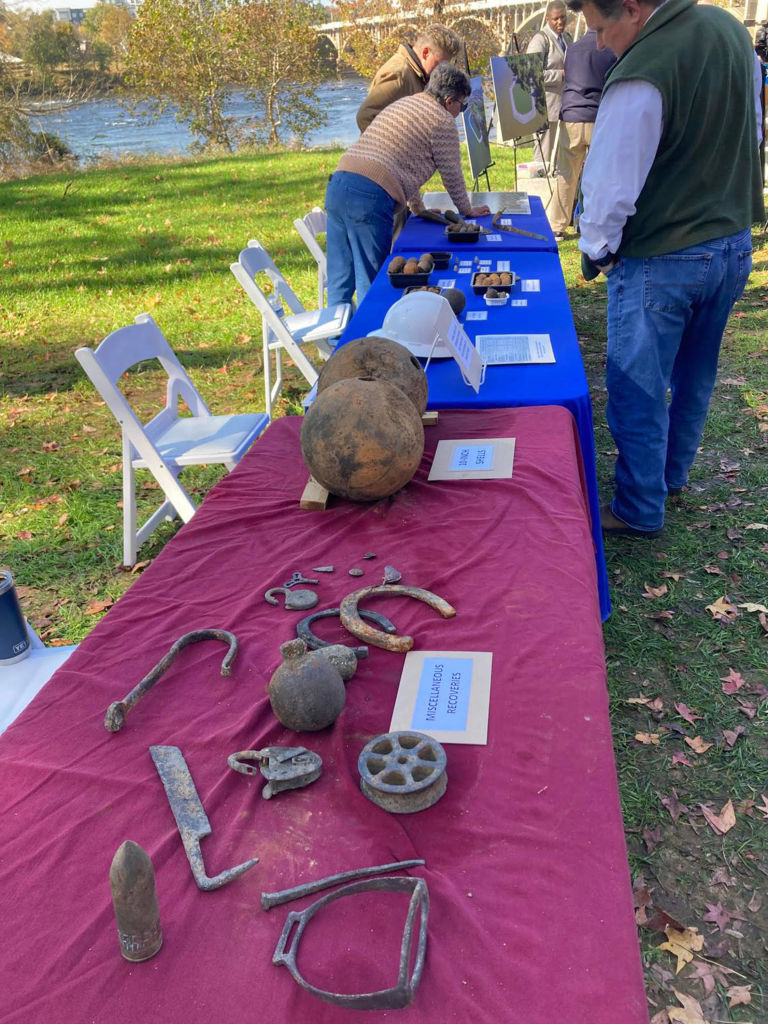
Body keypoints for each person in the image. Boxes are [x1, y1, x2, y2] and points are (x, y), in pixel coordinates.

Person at [570, 0, 764, 538]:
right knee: (695, 372)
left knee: (638, 384)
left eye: (602, 29)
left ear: (633, 9)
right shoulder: (730, 31)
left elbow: (609, 190)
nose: (602, 45)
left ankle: (638, 506)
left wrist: (601, 251)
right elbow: (750, 132)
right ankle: (670, 476)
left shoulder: (642, 71)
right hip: (731, 243)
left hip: (664, 253)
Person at [326, 64, 491, 308]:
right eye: (462, 105)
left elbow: (402, 162)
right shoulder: (442, 119)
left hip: (339, 183)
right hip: (369, 197)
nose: (460, 112)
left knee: (340, 279)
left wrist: (417, 207)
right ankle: (372, 341)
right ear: (449, 101)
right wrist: (467, 211)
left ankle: (336, 342)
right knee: (372, 284)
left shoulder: (406, 103)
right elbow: (452, 174)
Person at [547, 30, 615, 239]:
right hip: (598, 116)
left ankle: (557, 225)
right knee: (601, 175)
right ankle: (597, 224)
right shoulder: (610, 49)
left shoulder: (572, 49)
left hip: (571, 116)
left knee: (566, 174)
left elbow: (566, 78)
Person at [356, 25, 463, 133]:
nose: (442, 70)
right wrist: (402, 146)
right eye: (441, 64)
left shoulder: (419, 74)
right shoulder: (398, 75)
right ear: (426, 53)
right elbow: (366, 116)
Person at [526, 1, 573, 166]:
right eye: (556, 19)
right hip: (544, 109)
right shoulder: (540, 40)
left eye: (563, 18)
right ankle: (539, 188)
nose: (560, 22)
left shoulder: (566, 38)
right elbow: (530, 74)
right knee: (543, 160)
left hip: (564, 107)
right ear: (547, 19)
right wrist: (561, 75)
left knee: (559, 161)